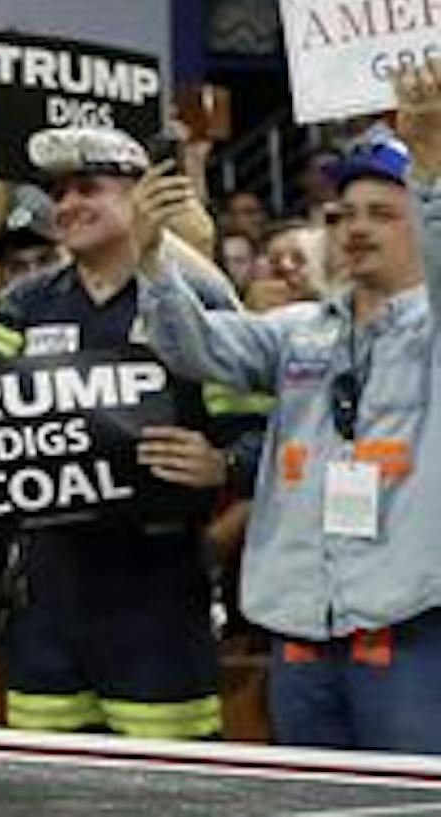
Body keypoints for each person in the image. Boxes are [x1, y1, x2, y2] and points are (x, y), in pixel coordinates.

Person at [132, 73, 441, 755]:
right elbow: (193, 347)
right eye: (342, 214)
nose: (356, 228)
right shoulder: (301, 330)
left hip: (411, 633)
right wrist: (150, 258)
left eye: (381, 213)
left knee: (416, 802)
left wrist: (431, 169)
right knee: (312, 801)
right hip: (301, 631)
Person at [0, 126, 260, 741]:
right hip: (47, 595)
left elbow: (264, 435)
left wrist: (223, 464)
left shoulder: (199, 299)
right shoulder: (25, 304)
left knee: (166, 782)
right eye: (59, 193)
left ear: (143, 196)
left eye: (88, 188)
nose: (67, 205)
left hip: (158, 594)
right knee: (48, 779)